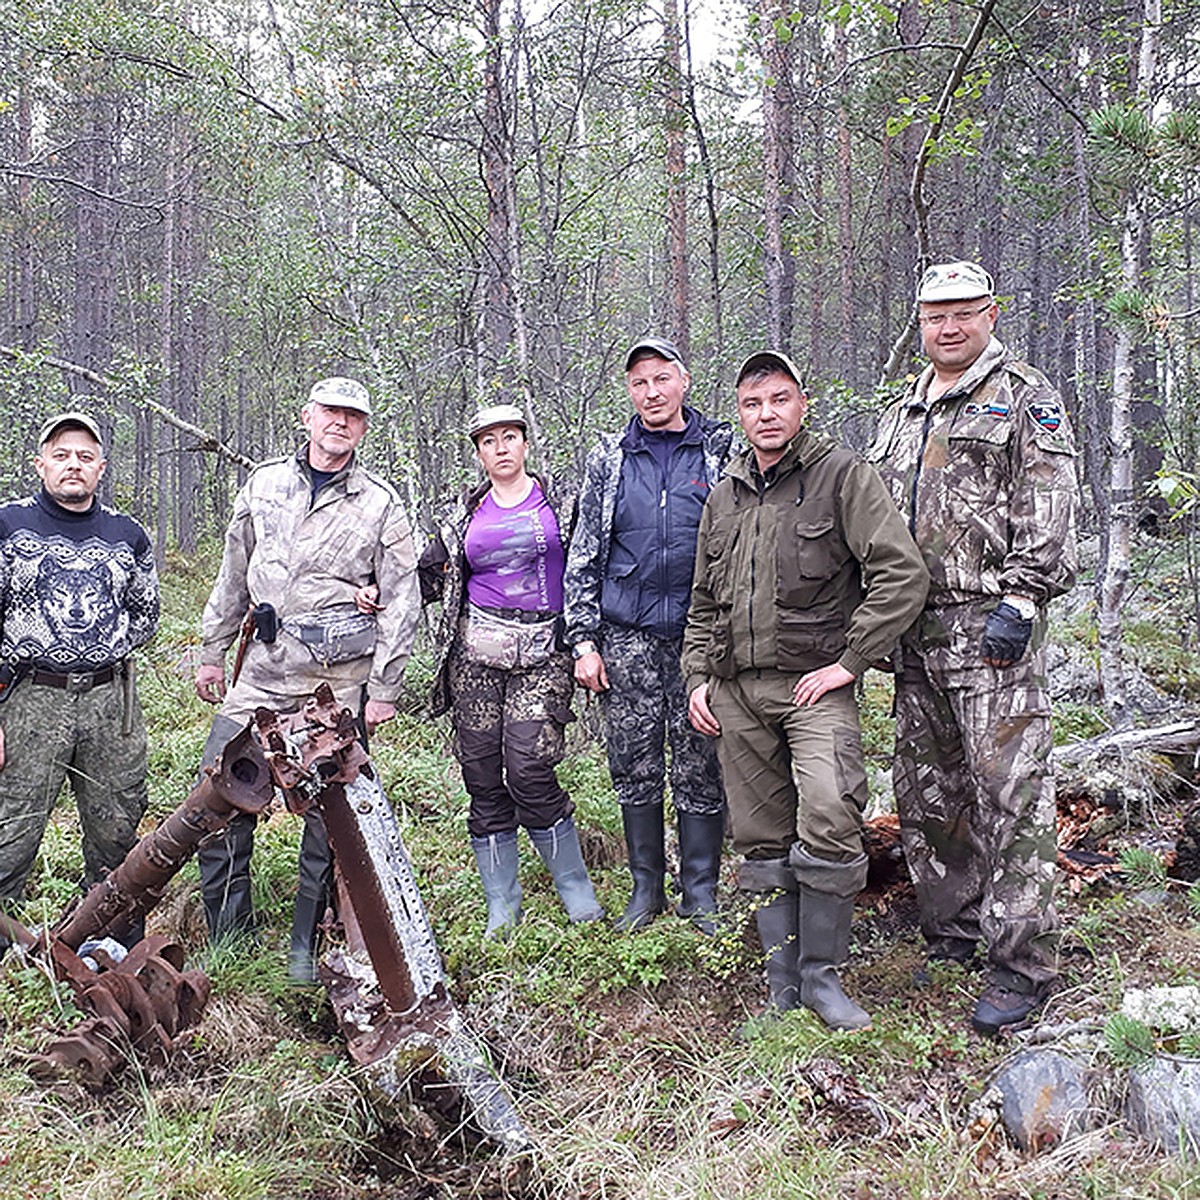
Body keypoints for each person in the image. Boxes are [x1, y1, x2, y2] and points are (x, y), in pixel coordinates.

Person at [683, 352, 928, 1030]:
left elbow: (900, 573)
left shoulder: (842, 477)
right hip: (738, 693)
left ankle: (824, 980)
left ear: (802, 404)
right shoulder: (725, 494)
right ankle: (781, 987)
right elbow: (703, 601)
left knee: (828, 814)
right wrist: (698, 677)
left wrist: (853, 660)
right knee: (761, 838)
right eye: (754, 403)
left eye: (780, 400)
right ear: (739, 410)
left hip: (814, 688)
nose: (767, 414)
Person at [867, 261, 1078, 1035]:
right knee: (930, 795)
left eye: (962, 313)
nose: (948, 328)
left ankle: (1022, 963)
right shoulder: (903, 409)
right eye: (934, 316)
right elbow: (880, 518)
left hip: (992, 625)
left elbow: (1050, 500)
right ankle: (954, 932)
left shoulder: (1026, 397)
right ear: (919, 323)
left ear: (990, 314)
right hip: (915, 632)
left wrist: (1023, 598)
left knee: (1010, 794)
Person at [194, 376, 419, 981]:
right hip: (261, 676)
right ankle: (228, 938)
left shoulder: (380, 502)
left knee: (329, 824)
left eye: (352, 416)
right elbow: (232, 572)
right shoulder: (264, 483)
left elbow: (401, 599)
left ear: (363, 428)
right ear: (307, 417)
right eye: (330, 413)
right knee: (217, 799)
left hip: (337, 685)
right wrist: (212, 651)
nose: (340, 424)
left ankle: (304, 948)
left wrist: (386, 689)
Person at [563, 338, 735, 933]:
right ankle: (646, 889)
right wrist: (583, 641)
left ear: (684, 381)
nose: (652, 392)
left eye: (662, 379)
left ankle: (701, 891)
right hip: (626, 638)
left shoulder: (719, 450)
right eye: (639, 382)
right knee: (633, 764)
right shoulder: (609, 458)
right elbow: (584, 552)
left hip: (698, 640)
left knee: (700, 763)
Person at [418, 404, 603, 938]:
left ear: (525, 443)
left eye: (509, 437)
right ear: (478, 452)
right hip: (476, 656)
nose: (500, 447)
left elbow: (591, 566)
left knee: (529, 769)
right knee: (481, 776)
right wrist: (375, 592)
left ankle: (576, 893)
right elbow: (428, 577)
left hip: (544, 653)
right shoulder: (462, 514)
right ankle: (503, 906)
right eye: (488, 441)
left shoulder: (562, 505)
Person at [0, 412, 159, 936]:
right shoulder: (8, 525)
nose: (74, 465)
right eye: (63, 455)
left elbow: (146, 613)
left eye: (86, 457)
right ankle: (9, 945)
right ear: (41, 462)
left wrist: (100, 651)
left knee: (117, 826)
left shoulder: (127, 534)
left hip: (111, 699)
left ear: (101, 468)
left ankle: (109, 939)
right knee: (13, 827)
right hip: (29, 697)